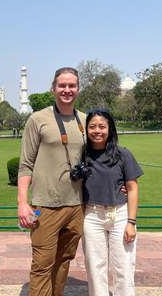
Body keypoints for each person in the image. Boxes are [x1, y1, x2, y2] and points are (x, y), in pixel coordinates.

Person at [18, 67, 86, 296]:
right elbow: (25, 164)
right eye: (62, 85)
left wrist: (121, 184)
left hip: (76, 205)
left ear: (78, 88)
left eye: (72, 85)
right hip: (45, 206)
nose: (67, 90)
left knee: (64, 261)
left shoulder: (85, 120)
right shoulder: (38, 119)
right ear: (53, 88)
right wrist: (22, 203)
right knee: (42, 265)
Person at [82, 109, 143, 296]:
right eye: (92, 126)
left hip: (120, 214)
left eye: (102, 126)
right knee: (95, 268)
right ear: (87, 130)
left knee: (123, 268)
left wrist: (131, 222)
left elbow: (132, 188)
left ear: (110, 129)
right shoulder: (82, 155)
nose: (97, 131)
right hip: (92, 215)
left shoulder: (122, 155)